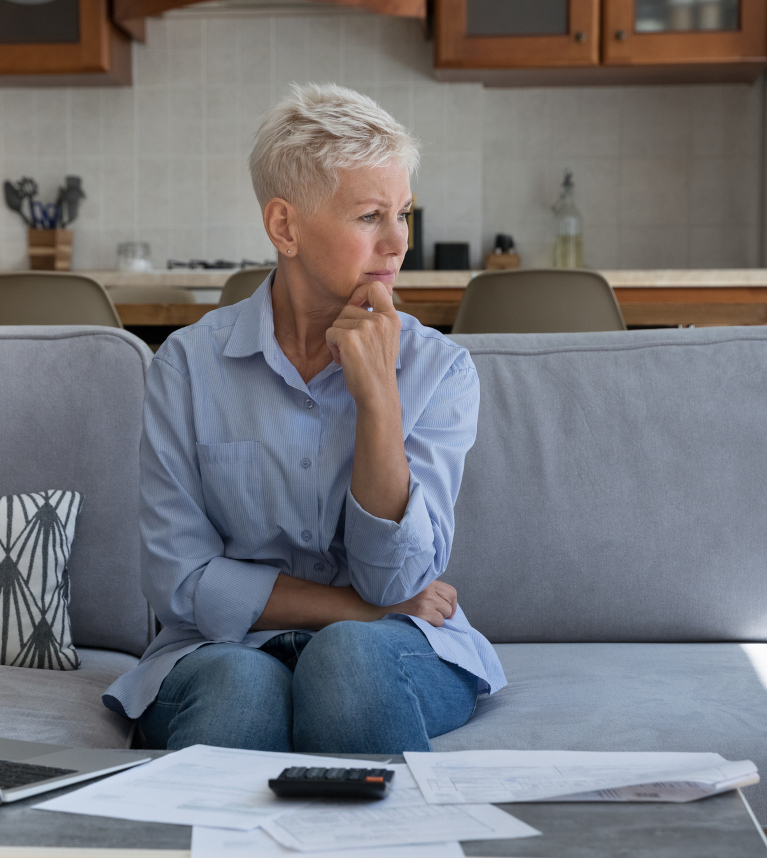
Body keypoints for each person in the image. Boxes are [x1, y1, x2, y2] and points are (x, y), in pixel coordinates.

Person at [103, 83, 505, 753]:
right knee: (241, 684)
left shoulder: (441, 371)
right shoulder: (188, 366)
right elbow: (182, 582)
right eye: (370, 215)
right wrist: (357, 607)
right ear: (285, 227)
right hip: (221, 652)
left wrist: (378, 395)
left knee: (345, 663)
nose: (398, 241)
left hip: (389, 648)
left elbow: (399, 582)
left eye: (405, 212)